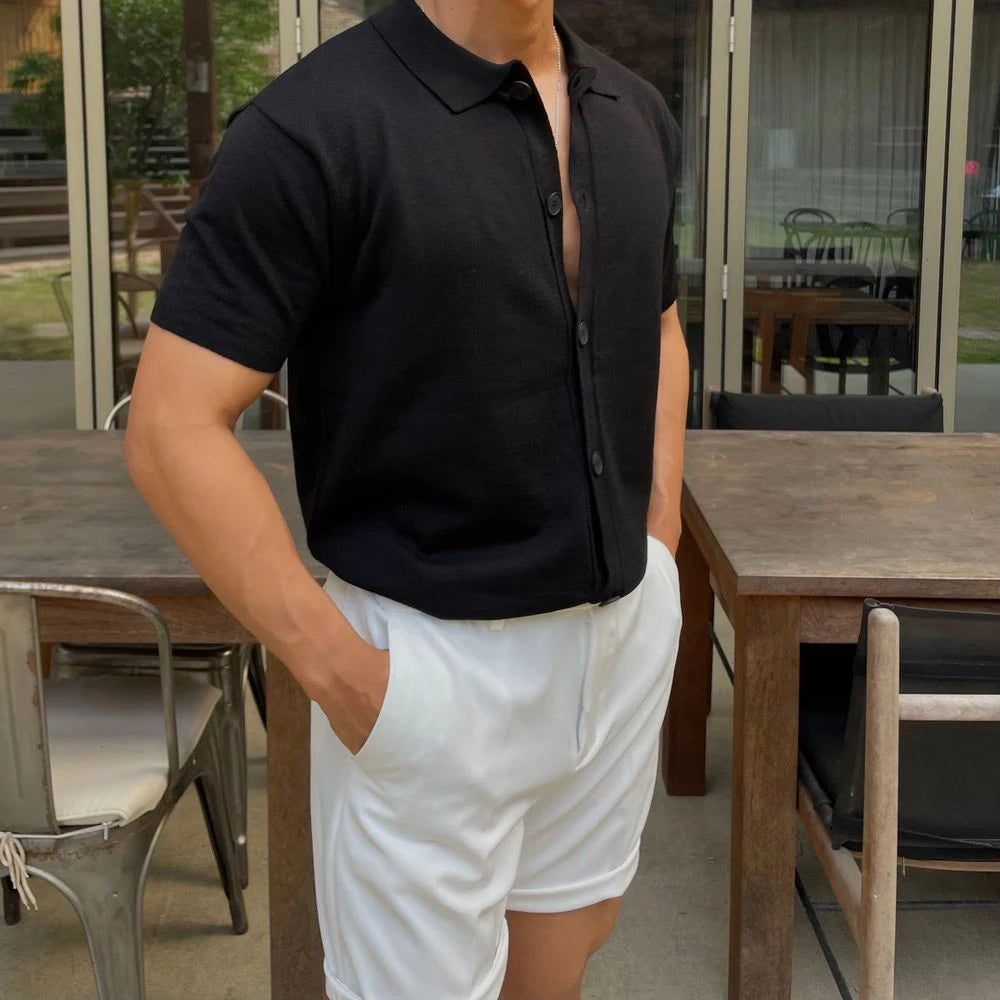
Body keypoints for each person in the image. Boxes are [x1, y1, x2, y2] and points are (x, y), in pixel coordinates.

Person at [126, 0, 688, 997]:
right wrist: (345, 678)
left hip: (621, 633)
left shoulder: (632, 109)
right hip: (430, 663)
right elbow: (172, 428)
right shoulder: (313, 127)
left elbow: (657, 319)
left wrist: (660, 532)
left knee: (563, 955)